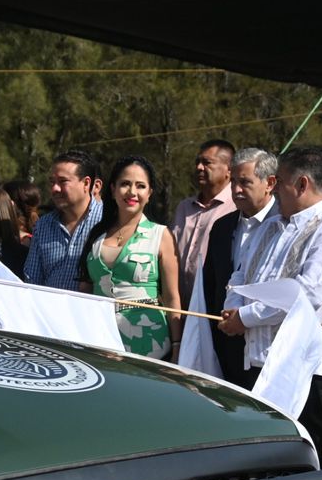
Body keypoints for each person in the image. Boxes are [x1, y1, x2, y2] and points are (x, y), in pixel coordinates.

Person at [219, 148, 322, 465]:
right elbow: (240, 274)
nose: (273, 188)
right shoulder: (270, 226)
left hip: (305, 372)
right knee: (265, 463)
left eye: (279, 181)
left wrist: (246, 317)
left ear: (302, 184)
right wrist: (232, 309)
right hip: (256, 363)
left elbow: (304, 296)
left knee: (309, 462)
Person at [81, 156, 182, 358]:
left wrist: (178, 345)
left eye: (141, 186)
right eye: (125, 184)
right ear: (112, 189)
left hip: (150, 344)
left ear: (150, 193)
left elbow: (172, 297)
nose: (132, 192)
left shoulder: (160, 235)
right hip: (100, 341)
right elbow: (85, 292)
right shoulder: (96, 236)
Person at [200, 148, 278, 385]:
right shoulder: (222, 227)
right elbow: (212, 285)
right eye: (233, 181)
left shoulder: (286, 224)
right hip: (228, 347)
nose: (236, 190)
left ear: (270, 183)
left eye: (245, 182)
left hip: (269, 350)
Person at [170, 139, 236, 310]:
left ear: (229, 169)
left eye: (207, 163)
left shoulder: (236, 207)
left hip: (214, 309)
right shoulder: (184, 207)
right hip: (179, 308)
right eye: (197, 162)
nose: (199, 167)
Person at [24, 150, 103, 290]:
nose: (55, 188)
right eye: (52, 182)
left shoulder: (107, 221)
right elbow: (32, 281)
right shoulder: (43, 225)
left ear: (86, 183)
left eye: (63, 181)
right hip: (49, 310)